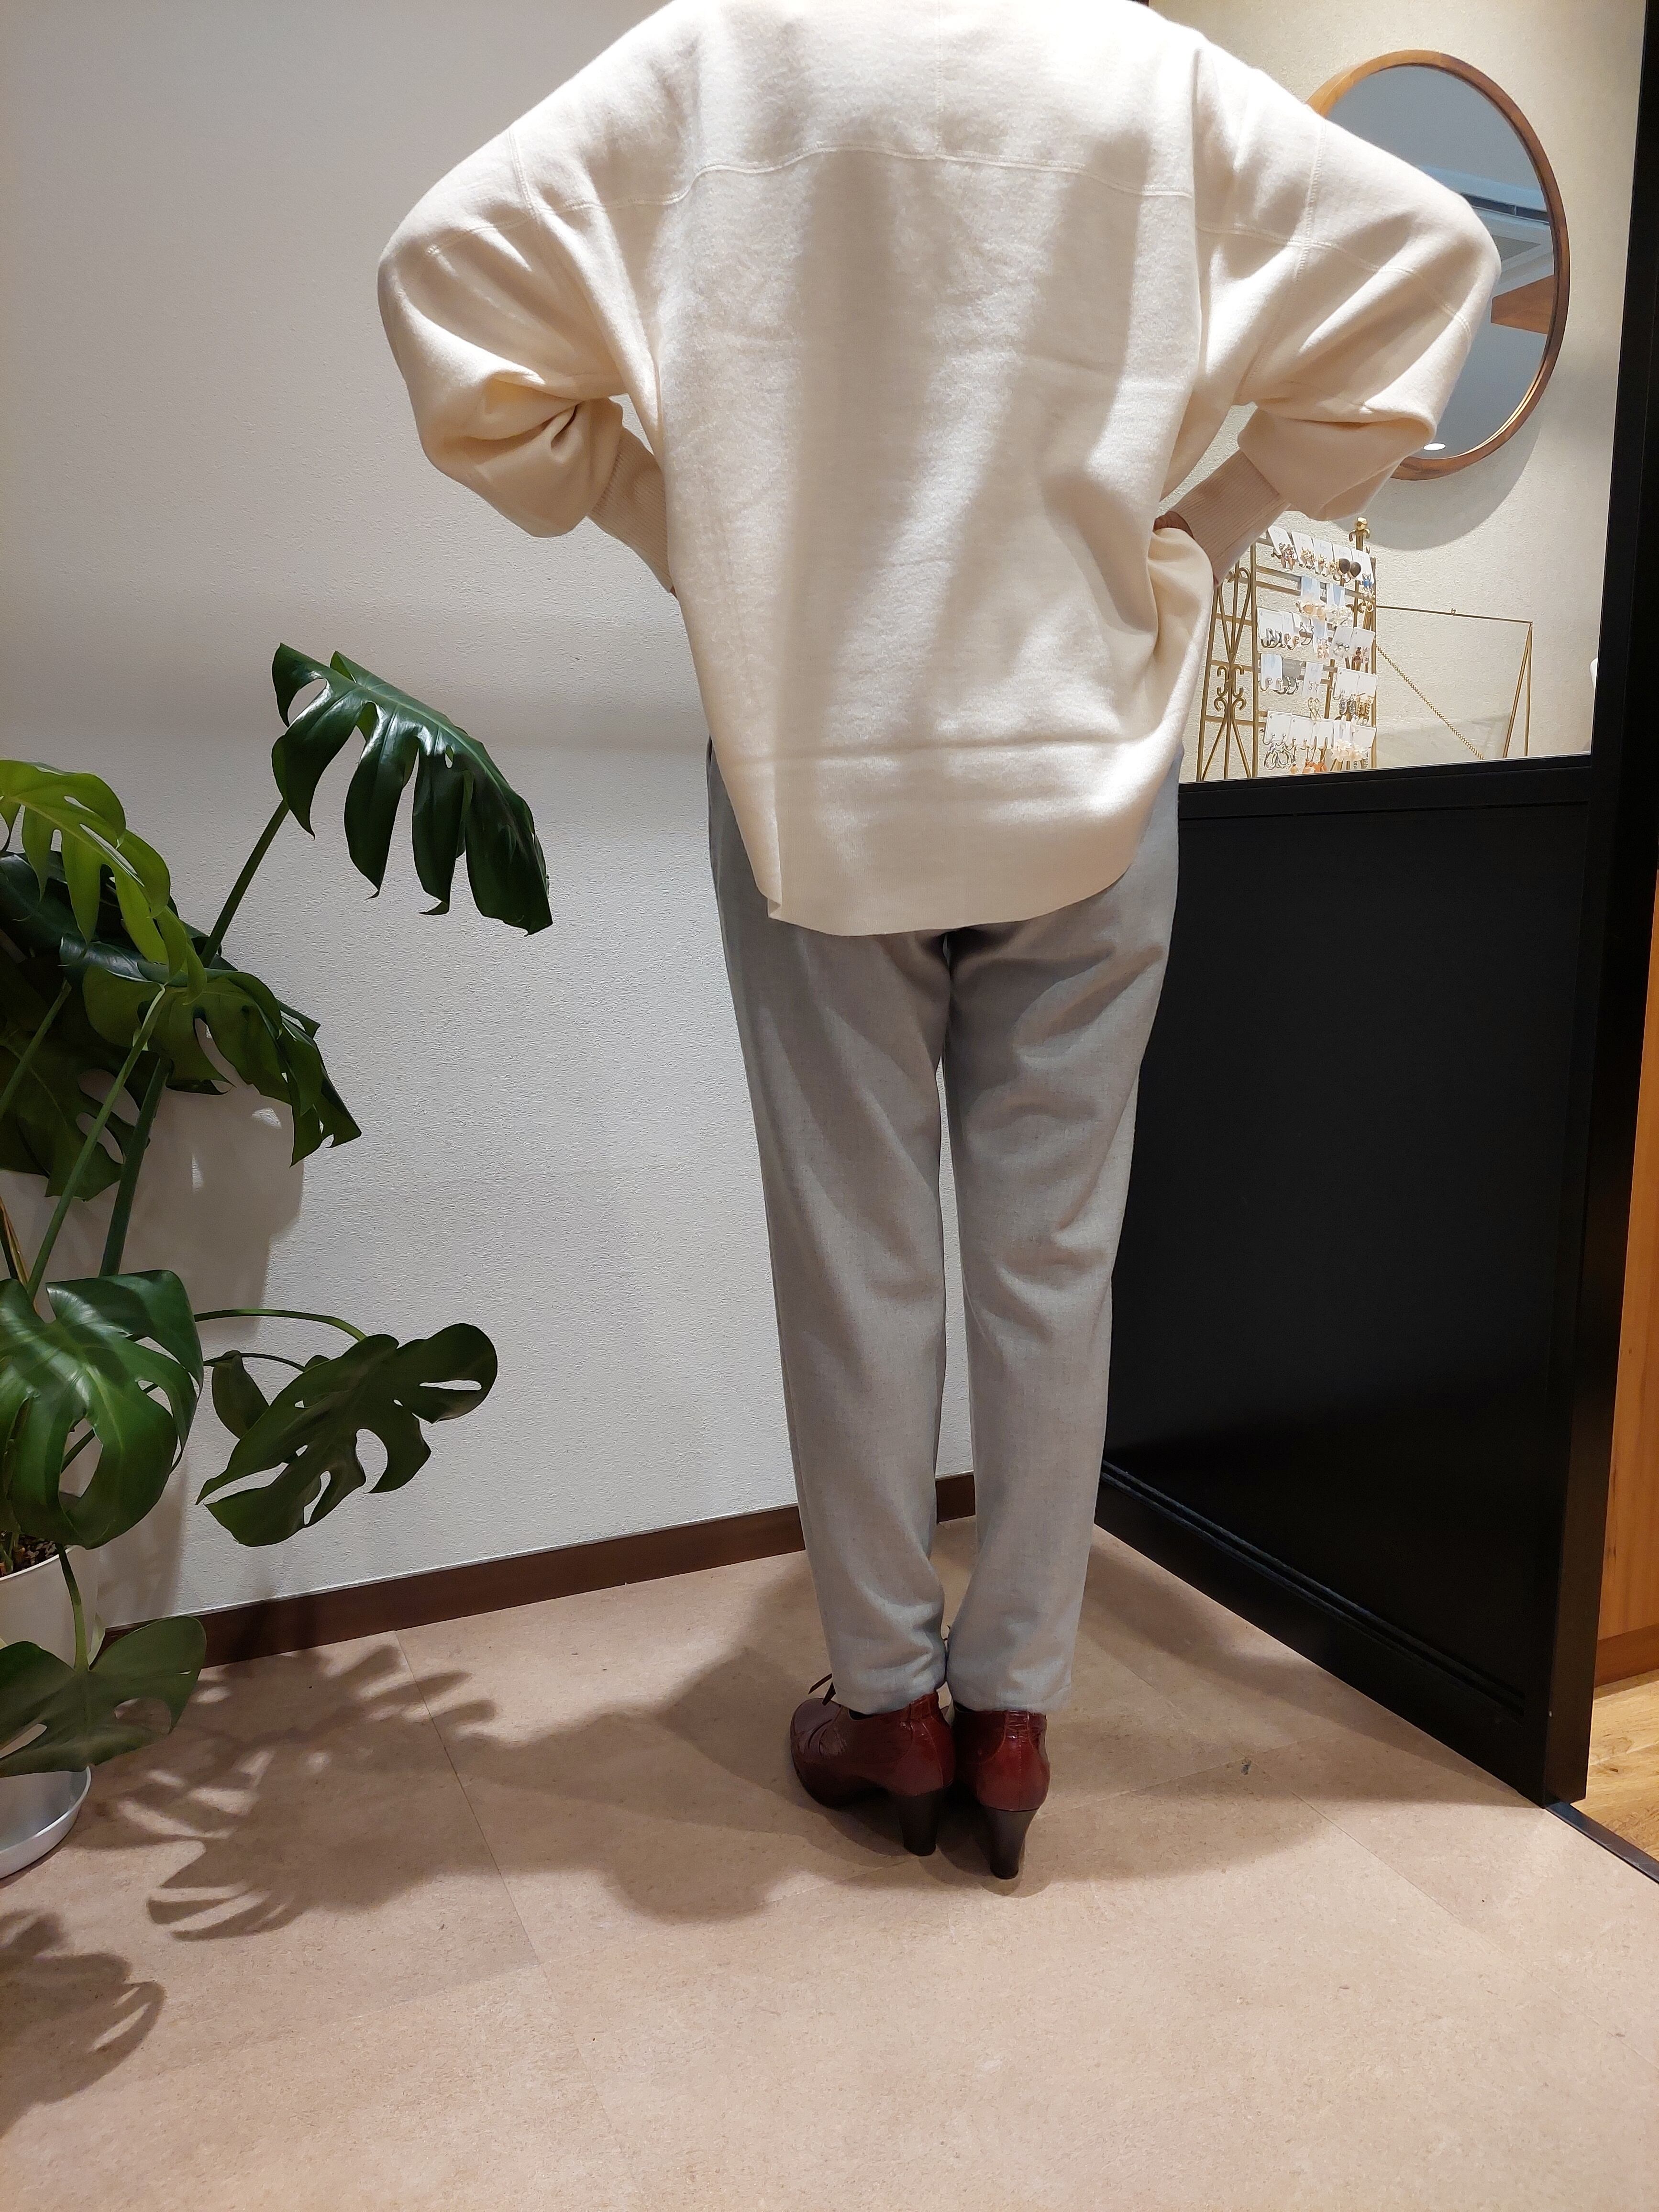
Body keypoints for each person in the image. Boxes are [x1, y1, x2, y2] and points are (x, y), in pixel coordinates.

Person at [379, 0, 1497, 1878]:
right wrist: (1206, 517)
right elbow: (1432, 259)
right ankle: (1015, 1715)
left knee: (857, 1240)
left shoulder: (724, 57)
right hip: (1087, 756)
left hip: (820, 760)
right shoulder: (1140, 70)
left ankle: (890, 1697)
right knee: (1055, 1253)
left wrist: (693, 526)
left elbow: (448, 284)